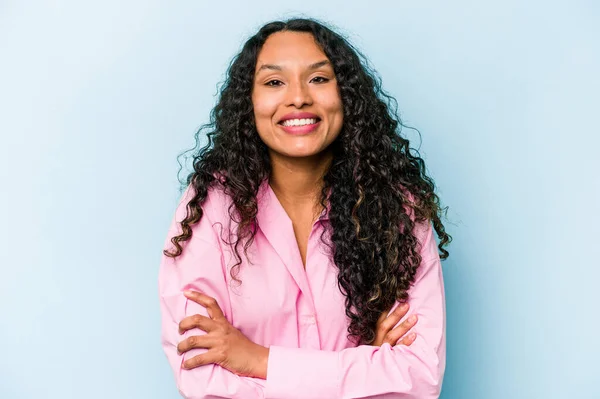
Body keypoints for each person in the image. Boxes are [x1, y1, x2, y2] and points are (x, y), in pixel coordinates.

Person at [158, 17, 452, 399]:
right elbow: (203, 380)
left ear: (345, 94)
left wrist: (257, 359)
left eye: (318, 78)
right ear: (249, 102)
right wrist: (365, 365)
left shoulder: (399, 209)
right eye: (274, 82)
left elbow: (418, 377)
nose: (298, 97)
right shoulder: (210, 208)